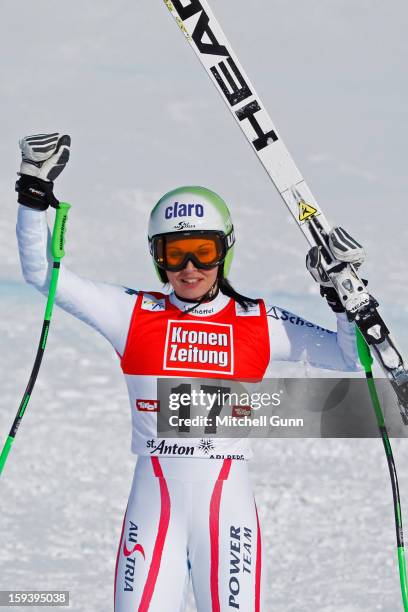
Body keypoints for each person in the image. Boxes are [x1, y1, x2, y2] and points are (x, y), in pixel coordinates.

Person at [15, 133, 364, 611]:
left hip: (227, 509)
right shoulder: (133, 313)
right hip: (154, 501)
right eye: (173, 252)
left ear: (225, 250)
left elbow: (351, 359)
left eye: (203, 249)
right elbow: (42, 274)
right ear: (157, 256)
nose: (189, 266)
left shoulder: (256, 322)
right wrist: (33, 192)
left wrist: (344, 297)